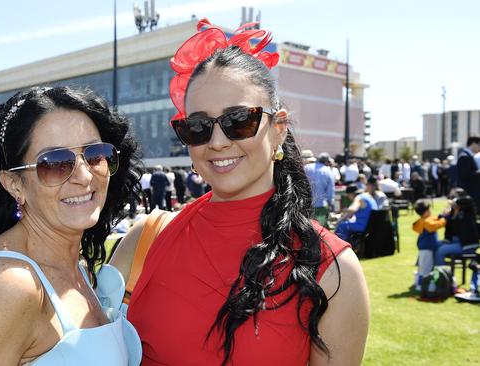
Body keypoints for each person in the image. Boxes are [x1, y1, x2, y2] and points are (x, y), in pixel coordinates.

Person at [111, 20, 368, 366]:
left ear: (278, 129)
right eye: (198, 127)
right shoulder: (145, 238)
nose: (217, 142)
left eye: (239, 120)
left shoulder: (332, 269)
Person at [0, 86, 142, 365]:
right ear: (14, 184)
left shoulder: (71, 265)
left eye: (94, 155)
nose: (83, 175)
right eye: (55, 163)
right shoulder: (11, 286)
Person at [434, 195, 480, 266]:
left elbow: (469, 201)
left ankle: (442, 274)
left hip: (466, 245)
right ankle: (428, 273)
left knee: (441, 250)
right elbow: (443, 220)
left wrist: (455, 202)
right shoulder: (453, 215)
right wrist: (443, 215)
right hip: (456, 243)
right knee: (433, 245)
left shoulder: (466, 214)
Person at [412, 200, 447, 290]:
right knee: (426, 269)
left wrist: (440, 216)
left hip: (424, 248)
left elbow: (433, 219)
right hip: (427, 248)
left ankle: (417, 283)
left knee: (422, 267)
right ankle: (421, 286)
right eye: (429, 210)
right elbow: (436, 225)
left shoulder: (423, 220)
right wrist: (444, 219)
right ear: (426, 212)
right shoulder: (427, 222)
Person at [304, 152, 335, 226]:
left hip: (306, 204)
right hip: (321, 206)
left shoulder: (306, 168)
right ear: (326, 161)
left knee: (306, 228)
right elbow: (330, 191)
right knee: (320, 230)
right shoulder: (328, 171)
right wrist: (331, 203)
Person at [456, 136, 480, 208]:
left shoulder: (468, 156)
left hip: (470, 193)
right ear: (473, 144)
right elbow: (466, 175)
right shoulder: (464, 156)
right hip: (469, 194)